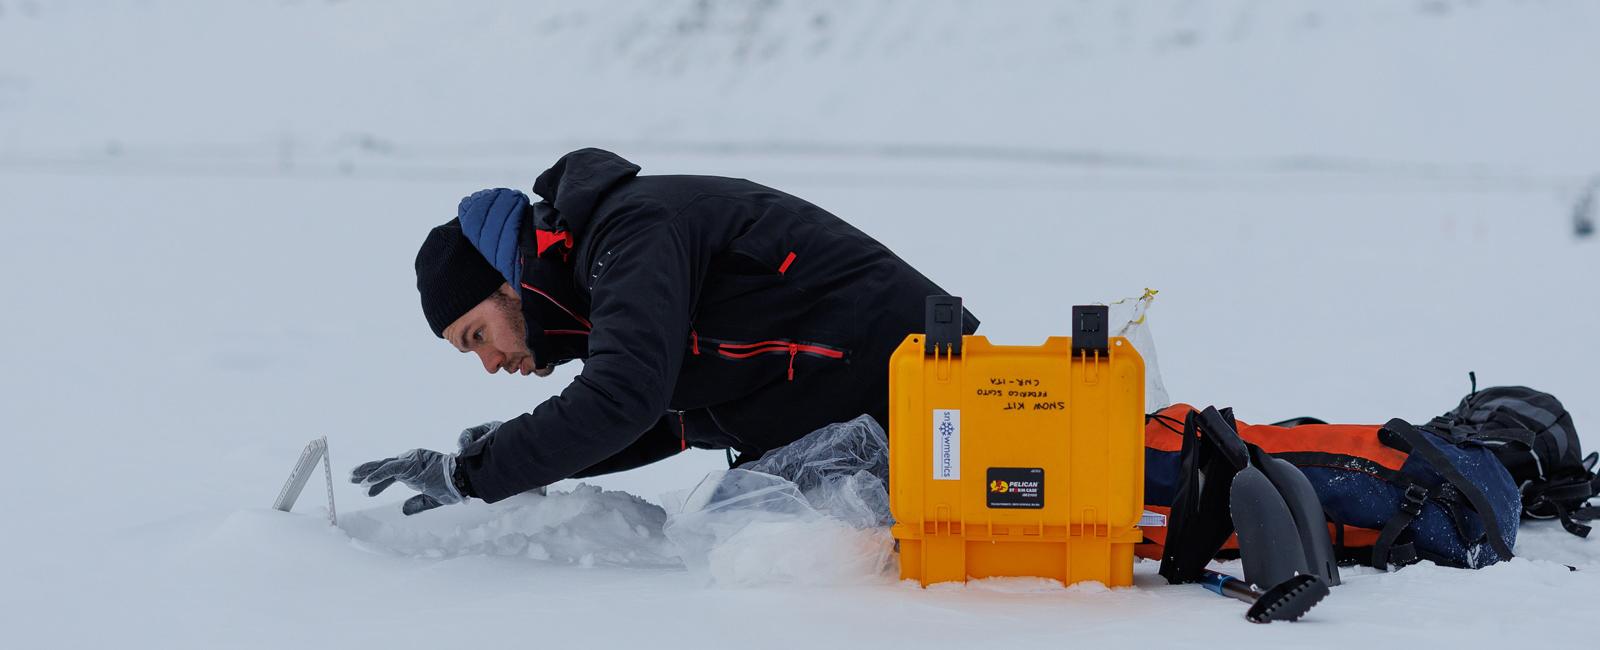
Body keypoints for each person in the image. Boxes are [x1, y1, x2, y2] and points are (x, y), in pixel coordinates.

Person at [352, 148, 978, 514]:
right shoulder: (597, 268)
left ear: (507, 282)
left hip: (931, 408)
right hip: (861, 422)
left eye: (476, 335)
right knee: (729, 538)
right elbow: (673, 418)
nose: (489, 363)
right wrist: (515, 459)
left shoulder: (629, 236)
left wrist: (474, 475)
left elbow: (625, 397)